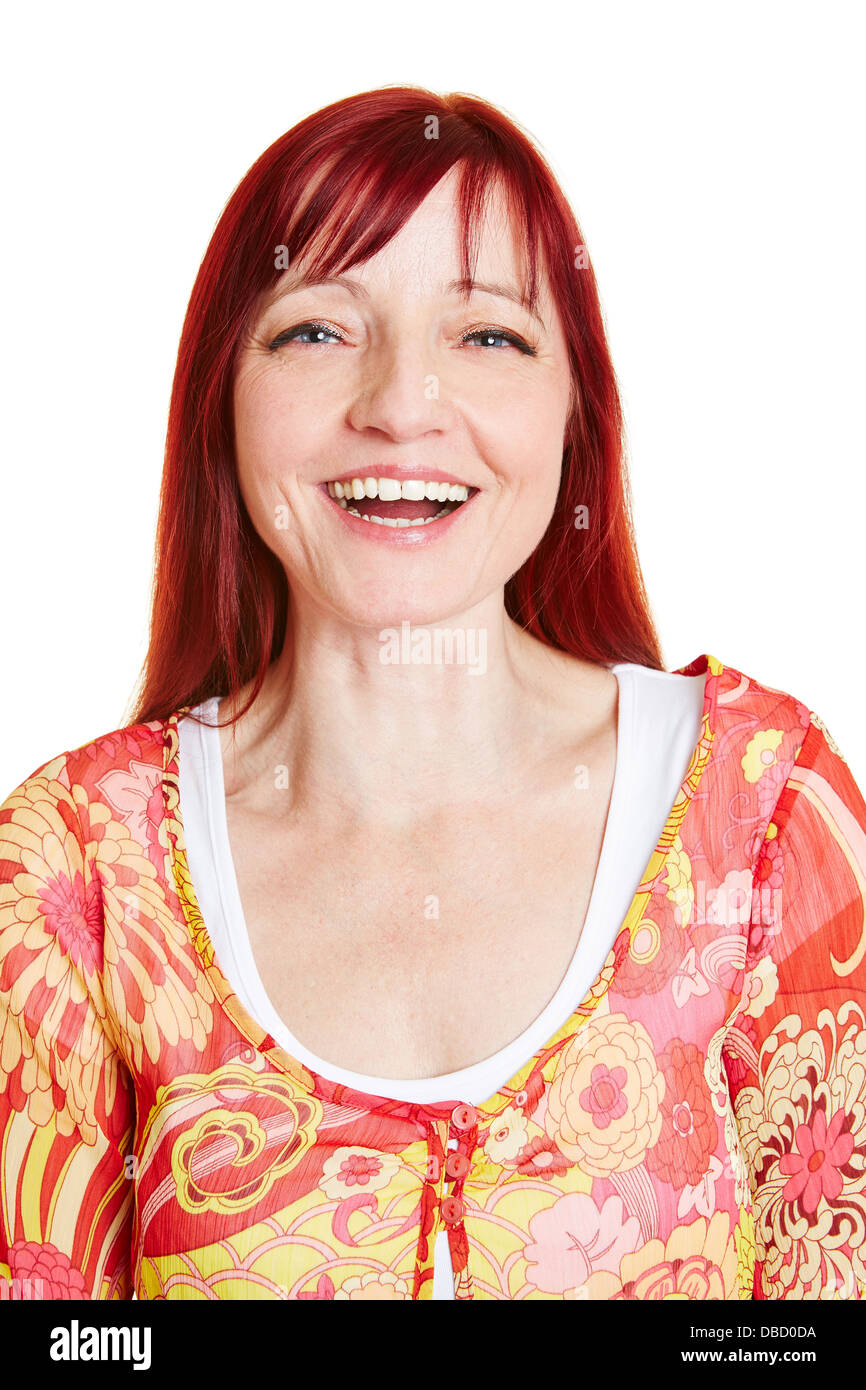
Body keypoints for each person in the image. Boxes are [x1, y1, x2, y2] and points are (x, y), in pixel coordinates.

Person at [2, 85, 865, 1302]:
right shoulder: (77, 870)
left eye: (489, 337)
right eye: (315, 330)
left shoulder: (763, 810)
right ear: (221, 397)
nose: (401, 405)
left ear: (578, 411)